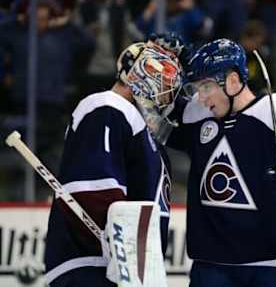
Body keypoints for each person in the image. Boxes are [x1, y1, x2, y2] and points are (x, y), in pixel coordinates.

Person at [159, 37, 276, 287]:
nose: (201, 97)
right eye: (197, 89)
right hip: (211, 267)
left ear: (233, 80)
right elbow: (157, 116)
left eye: (206, 87)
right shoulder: (198, 116)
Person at [43, 40, 182, 287]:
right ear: (142, 80)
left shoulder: (141, 131)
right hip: (91, 265)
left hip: (128, 269)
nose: (165, 101)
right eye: (163, 89)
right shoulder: (106, 106)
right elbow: (94, 189)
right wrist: (124, 249)